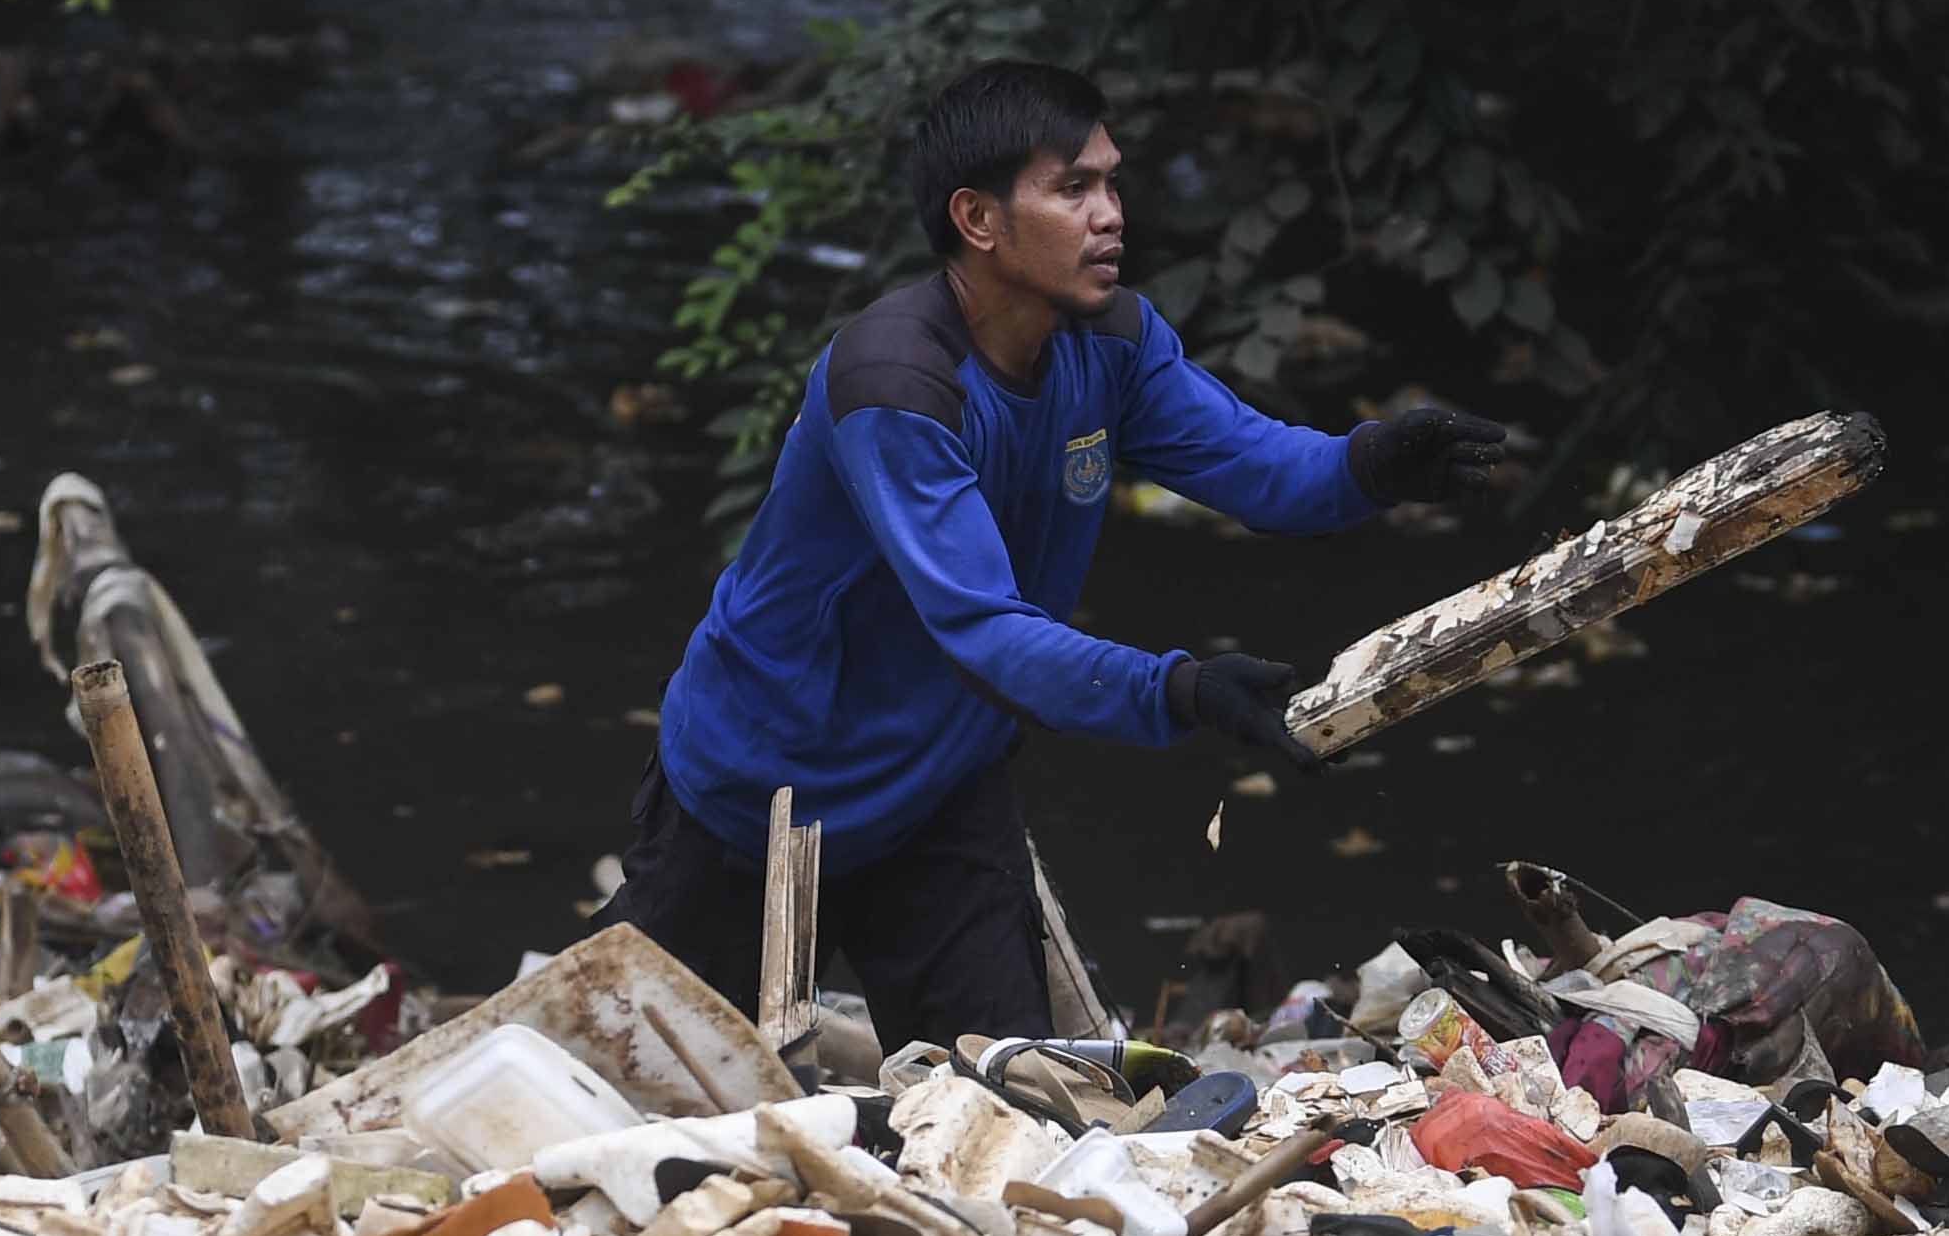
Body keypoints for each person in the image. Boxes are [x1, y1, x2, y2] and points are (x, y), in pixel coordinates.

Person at [609, 58, 1504, 1049]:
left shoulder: (1111, 341)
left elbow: (1259, 470)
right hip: (760, 795)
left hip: (938, 795)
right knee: (657, 1106)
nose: (1110, 213)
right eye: (1072, 188)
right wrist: (1182, 689)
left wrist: (1370, 463)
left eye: (1111, 181)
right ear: (978, 220)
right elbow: (986, 631)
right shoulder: (896, 385)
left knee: (1015, 1108)